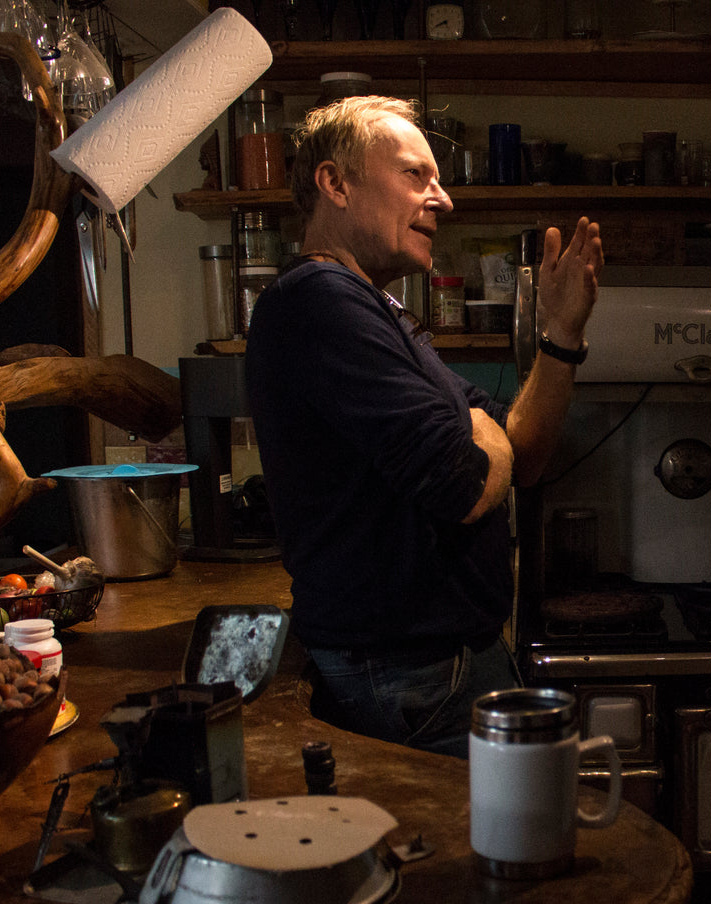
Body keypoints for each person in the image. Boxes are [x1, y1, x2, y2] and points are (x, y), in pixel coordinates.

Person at [244, 96, 602, 758]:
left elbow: (522, 457)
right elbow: (465, 484)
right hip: (410, 676)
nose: (443, 200)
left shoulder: (375, 312)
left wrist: (560, 336)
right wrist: (479, 437)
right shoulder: (319, 303)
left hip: (436, 668)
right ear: (336, 183)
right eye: (416, 175)